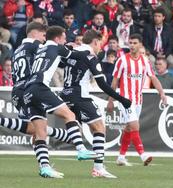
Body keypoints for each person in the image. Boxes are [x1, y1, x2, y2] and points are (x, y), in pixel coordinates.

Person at [23, 26, 97, 178]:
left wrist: (68, 46)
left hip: (27, 90)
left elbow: (59, 56)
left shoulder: (42, 48)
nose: (65, 41)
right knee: (69, 115)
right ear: (57, 39)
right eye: (63, 38)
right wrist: (87, 50)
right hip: (40, 87)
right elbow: (77, 56)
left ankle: (44, 167)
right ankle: (81, 149)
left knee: (40, 132)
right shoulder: (57, 47)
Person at [60, 29, 131, 178]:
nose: (100, 48)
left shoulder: (72, 51)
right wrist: (122, 100)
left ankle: (43, 131)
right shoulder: (90, 56)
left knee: (73, 133)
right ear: (95, 42)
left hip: (66, 94)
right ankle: (98, 168)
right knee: (99, 128)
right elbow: (103, 85)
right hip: (80, 95)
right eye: (100, 44)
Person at [1, 22, 71, 145]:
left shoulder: (17, 50)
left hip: (17, 91)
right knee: (41, 129)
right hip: (29, 88)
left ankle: (43, 163)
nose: (45, 39)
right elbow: (51, 52)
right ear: (35, 33)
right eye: (43, 35)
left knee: (34, 129)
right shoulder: (35, 45)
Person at [107, 34, 167, 166]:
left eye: (135, 43)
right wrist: (110, 100)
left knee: (129, 128)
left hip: (138, 100)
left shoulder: (145, 61)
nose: (132, 45)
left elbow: (153, 78)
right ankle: (143, 154)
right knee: (135, 125)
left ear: (140, 45)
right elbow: (115, 81)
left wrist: (162, 94)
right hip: (125, 99)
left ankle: (121, 157)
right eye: (130, 43)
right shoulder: (122, 60)